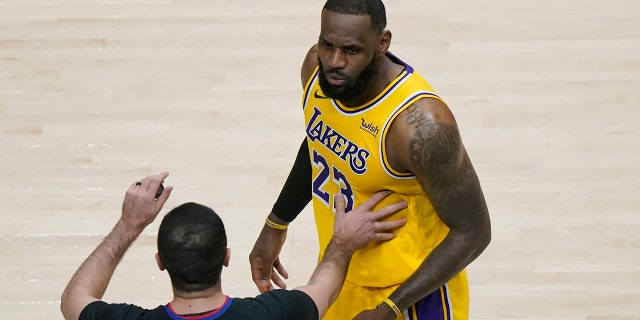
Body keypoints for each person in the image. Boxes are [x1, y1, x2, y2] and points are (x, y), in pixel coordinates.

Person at [248, 0, 492, 319]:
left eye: (351, 50)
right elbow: (319, 143)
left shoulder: (419, 128)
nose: (334, 61)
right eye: (327, 44)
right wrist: (276, 222)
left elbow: (474, 232)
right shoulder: (316, 71)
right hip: (338, 273)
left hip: (412, 295)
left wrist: (389, 309)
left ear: (382, 43)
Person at [60, 172, 407, 320]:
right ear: (226, 258)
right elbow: (324, 288)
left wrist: (128, 224)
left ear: (160, 262)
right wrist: (344, 242)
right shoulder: (274, 313)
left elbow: (74, 299)